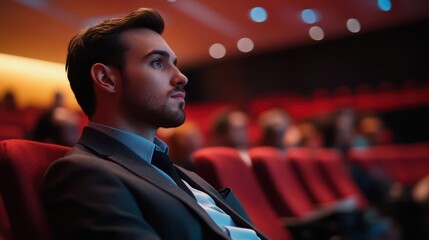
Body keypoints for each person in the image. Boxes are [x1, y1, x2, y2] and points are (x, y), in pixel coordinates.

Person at [42, 8, 267, 240]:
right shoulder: (84, 174)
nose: (182, 77)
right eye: (157, 63)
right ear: (106, 79)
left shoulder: (178, 171)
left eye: (175, 63)